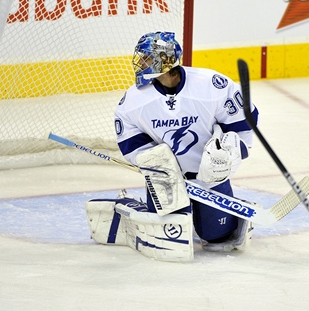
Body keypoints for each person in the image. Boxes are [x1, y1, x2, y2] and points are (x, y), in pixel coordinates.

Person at [85, 31, 259, 262]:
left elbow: (243, 123)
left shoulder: (211, 85)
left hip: (209, 177)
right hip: (166, 180)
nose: (141, 62)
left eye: (146, 58)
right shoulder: (135, 100)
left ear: (163, 61)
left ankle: (219, 215)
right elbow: (130, 140)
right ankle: (131, 207)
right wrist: (156, 164)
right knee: (171, 238)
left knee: (218, 238)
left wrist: (228, 155)